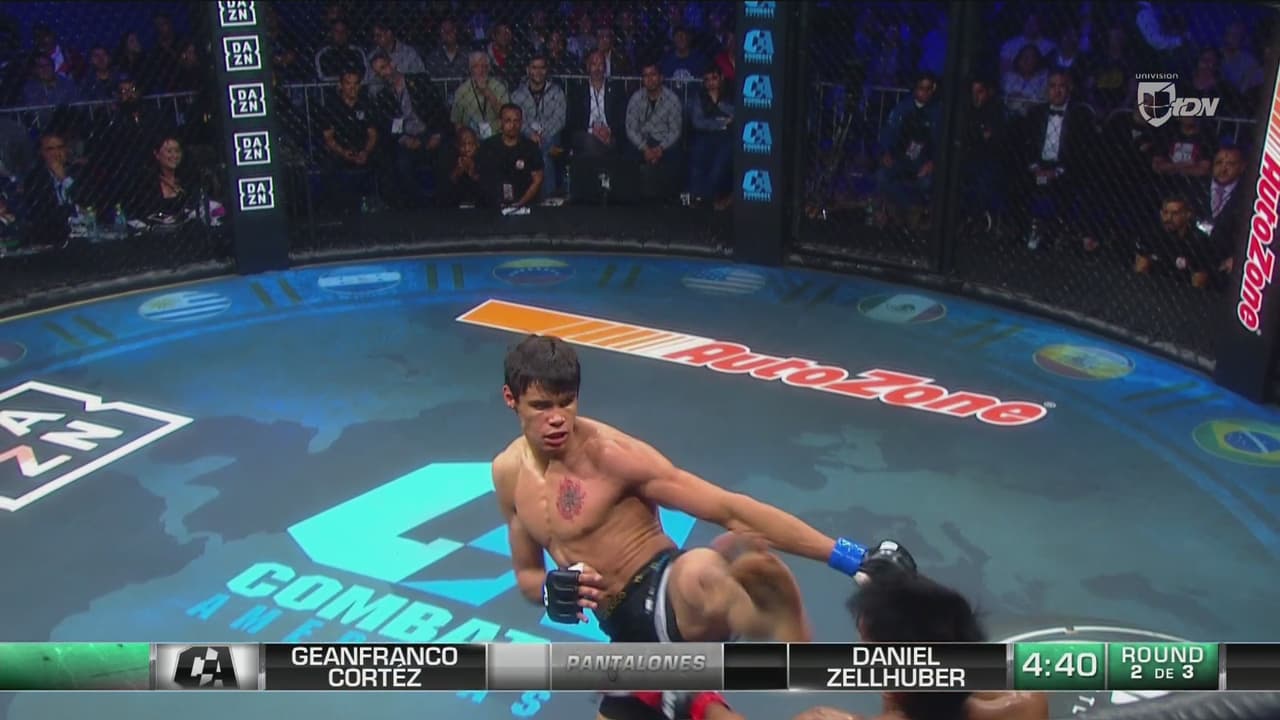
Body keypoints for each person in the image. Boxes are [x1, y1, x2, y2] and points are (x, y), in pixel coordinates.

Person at [491, 335, 912, 719]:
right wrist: (549, 590)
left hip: (665, 592)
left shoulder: (611, 455)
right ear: (511, 399)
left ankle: (767, 612)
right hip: (625, 637)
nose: (557, 418)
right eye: (542, 406)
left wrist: (852, 557)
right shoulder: (507, 474)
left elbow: (730, 509)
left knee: (702, 571)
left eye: (566, 403)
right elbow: (527, 575)